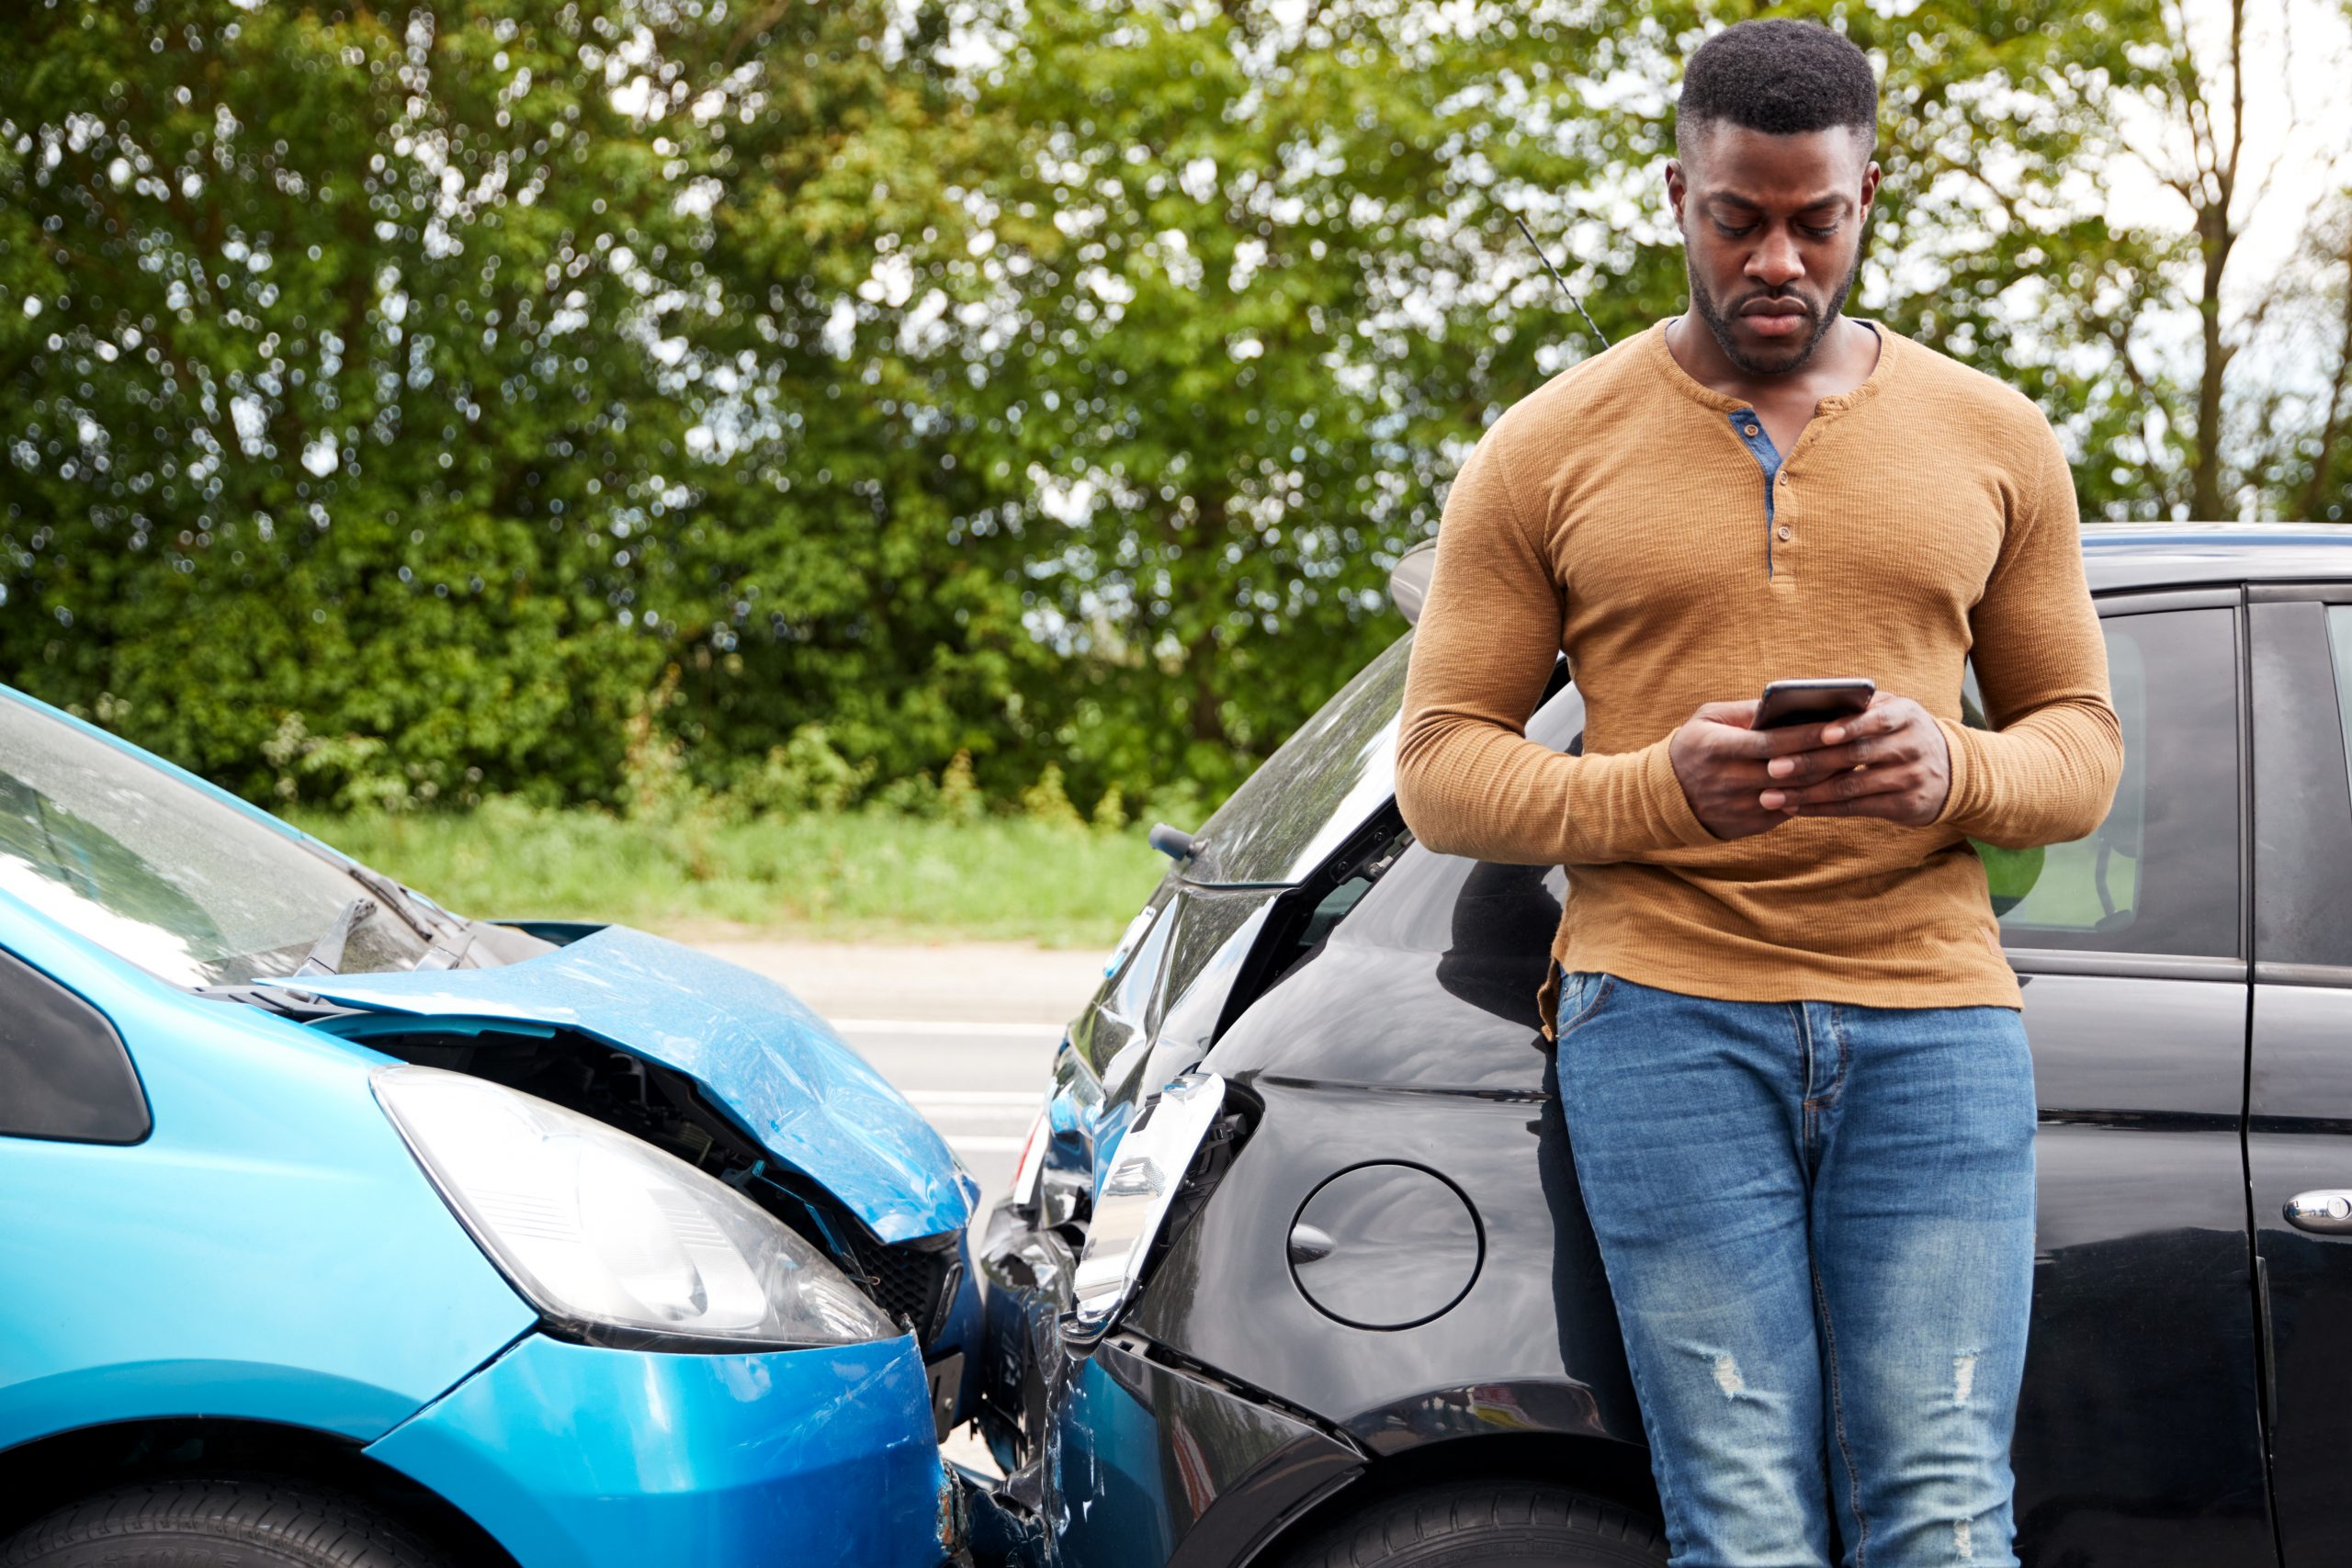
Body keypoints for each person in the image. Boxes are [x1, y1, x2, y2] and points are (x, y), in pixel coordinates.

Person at [1392, 17, 2124, 1568]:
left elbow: (2083, 748)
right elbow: (1442, 767)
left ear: (1871, 198)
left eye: (1816, 219)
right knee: (1743, 1521)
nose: (1778, 259)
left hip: (1935, 1023)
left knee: (1941, 1515)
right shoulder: (1544, 451)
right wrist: (1658, 789)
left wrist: (1956, 768)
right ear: (1677, 193)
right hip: (1662, 1021)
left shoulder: (1996, 438)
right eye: (1739, 219)